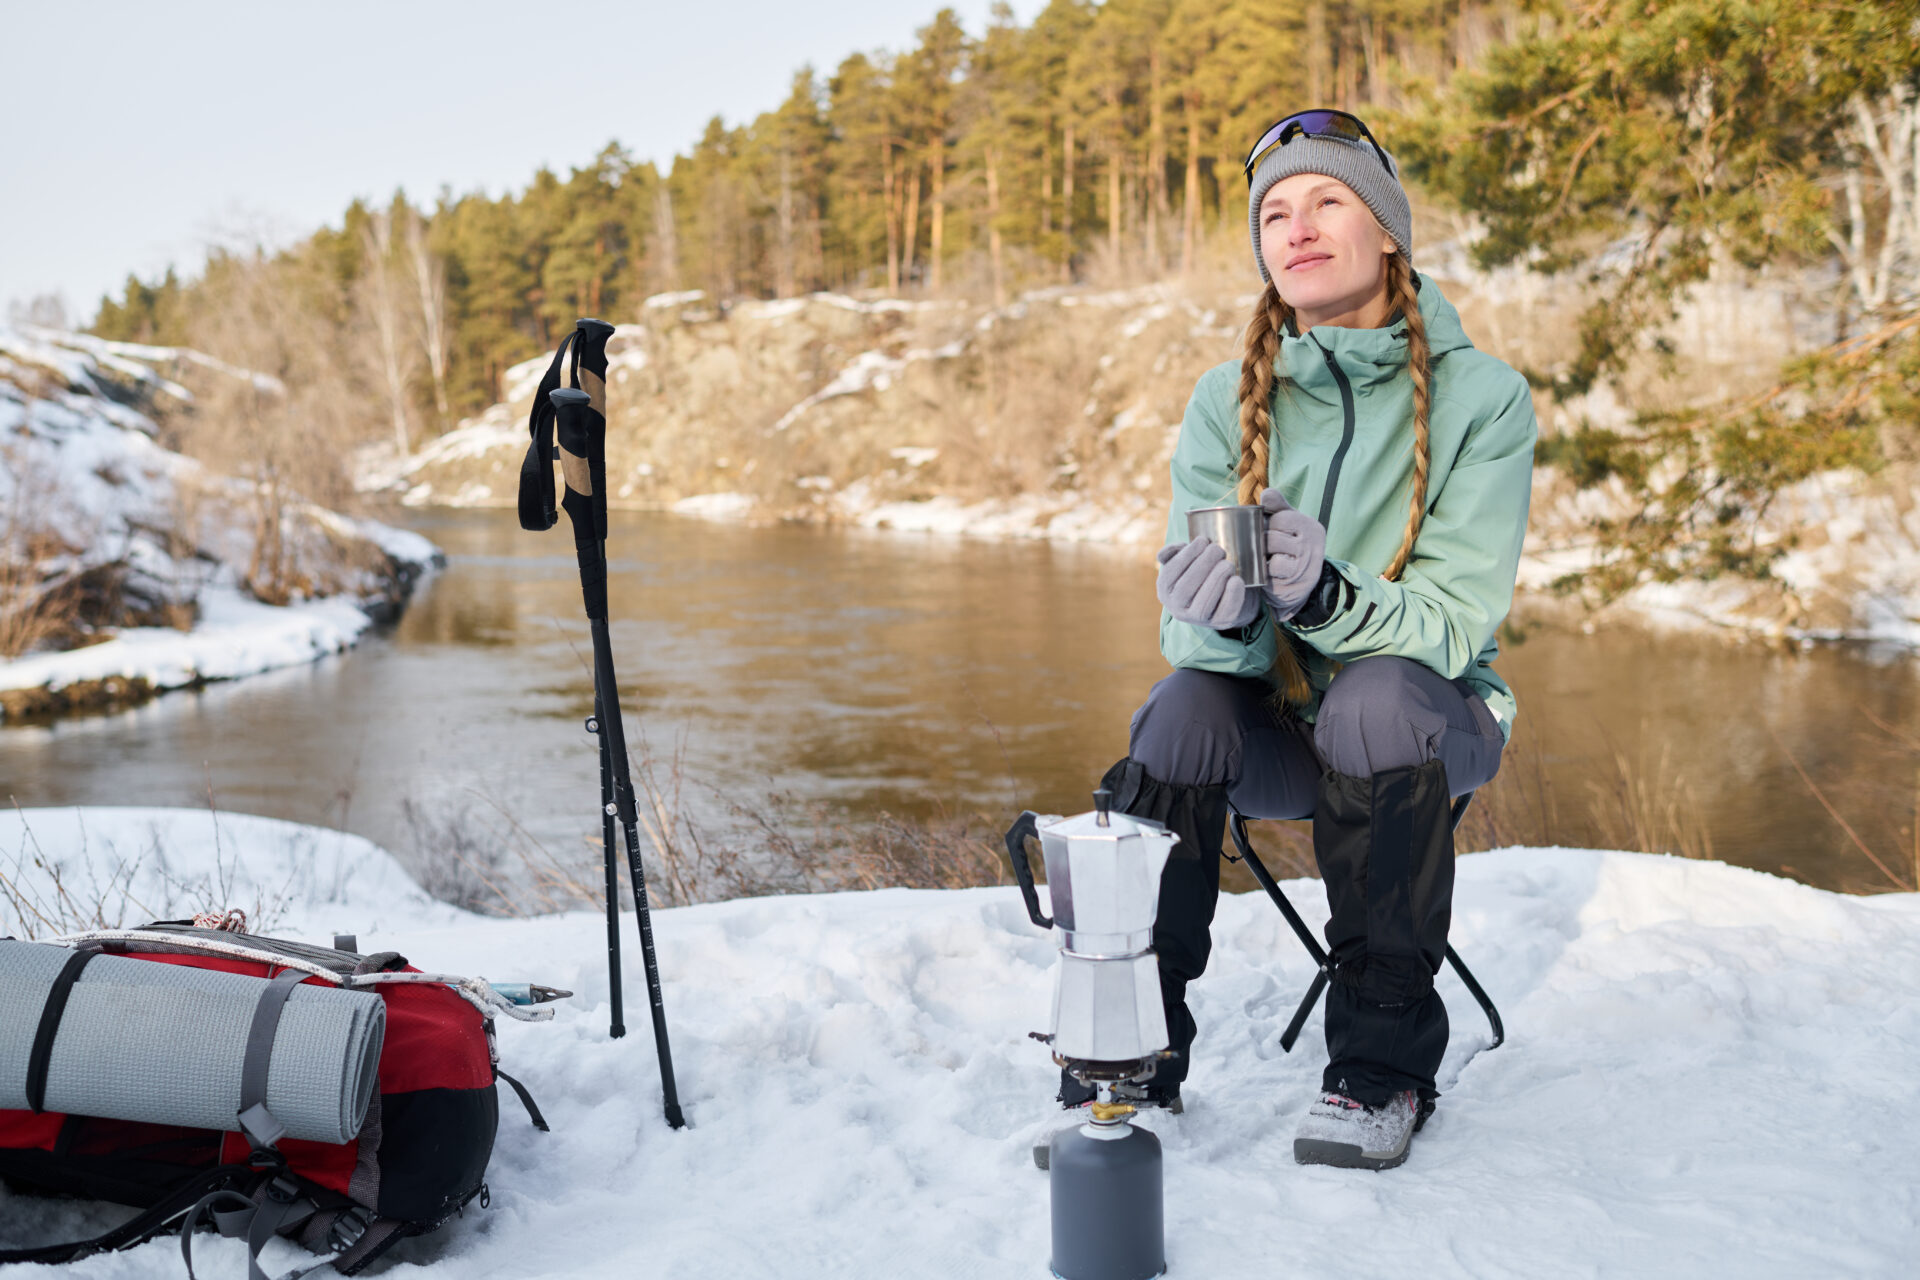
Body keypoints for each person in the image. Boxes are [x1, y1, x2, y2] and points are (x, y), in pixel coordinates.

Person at [1068, 109, 1537, 1171]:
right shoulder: (1221, 402)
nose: (1298, 226)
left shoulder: (1485, 400)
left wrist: (1325, 594)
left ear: (1387, 232)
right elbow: (1202, 648)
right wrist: (1223, 619)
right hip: (1282, 730)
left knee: (1372, 694)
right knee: (1179, 708)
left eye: (1328, 198)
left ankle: (1381, 1068)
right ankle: (1132, 1045)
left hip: (1430, 719)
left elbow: (1457, 625)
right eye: (1274, 211)